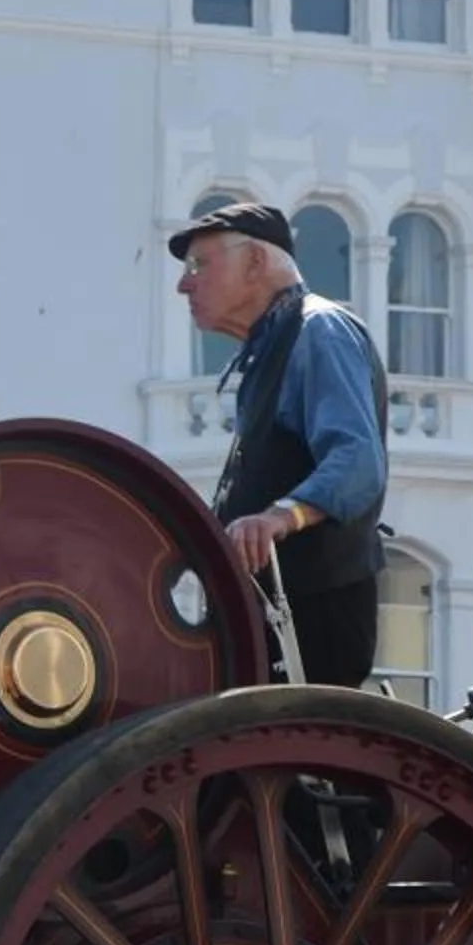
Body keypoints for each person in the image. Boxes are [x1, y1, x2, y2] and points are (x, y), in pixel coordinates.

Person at [169, 200, 390, 687]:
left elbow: (357, 461)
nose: (184, 283)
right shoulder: (274, 347)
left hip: (311, 619)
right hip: (274, 616)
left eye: (200, 264)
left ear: (254, 262)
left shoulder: (320, 330)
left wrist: (278, 517)